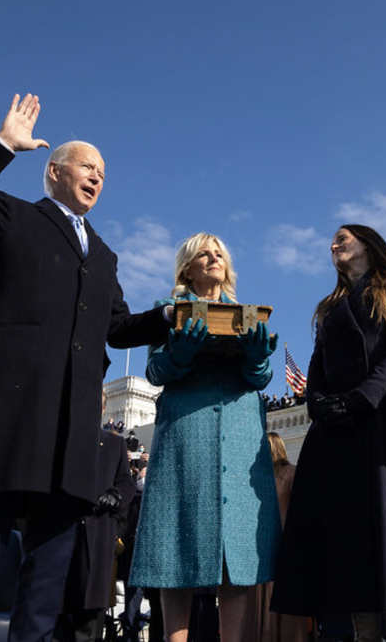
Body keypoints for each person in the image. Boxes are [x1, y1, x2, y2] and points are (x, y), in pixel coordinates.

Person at [0, 93, 173, 642]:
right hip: (9, 412)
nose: (98, 178)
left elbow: (118, 328)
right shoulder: (11, 213)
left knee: (50, 568)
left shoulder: (104, 254)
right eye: (88, 166)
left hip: (71, 426)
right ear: (54, 171)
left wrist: (170, 317)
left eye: (104, 173)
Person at [273, 225, 386, 642]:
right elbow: (317, 361)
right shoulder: (329, 304)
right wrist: (316, 403)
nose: (334, 245)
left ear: (368, 244)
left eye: (343, 238)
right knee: (348, 543)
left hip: (382, 420)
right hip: (335, 432)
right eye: (332, 241)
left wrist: (363, 397)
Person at [129, 232, 280, 642]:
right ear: (187, 268)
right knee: (173, 544)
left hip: (241, 431)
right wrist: (178, 354)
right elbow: (156, 373)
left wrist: (258, 357)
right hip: (185, 434)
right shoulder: (168, 312)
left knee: (239, 555)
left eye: (219, 255)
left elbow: (261, 379)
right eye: (203, 255)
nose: (213, 260)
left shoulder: (249, 314)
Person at [59, 424, 136, 642]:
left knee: (89, 618)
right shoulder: (58, 434)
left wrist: (116, 495)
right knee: (55, 612)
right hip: (60, 533)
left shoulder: (114, 444)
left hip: (97, 534)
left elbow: (125, 483)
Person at [251, 432, 313, 642]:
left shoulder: (287, 474)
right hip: (278, 553)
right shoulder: (267, 478)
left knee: (269, 614)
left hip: (272, 553)